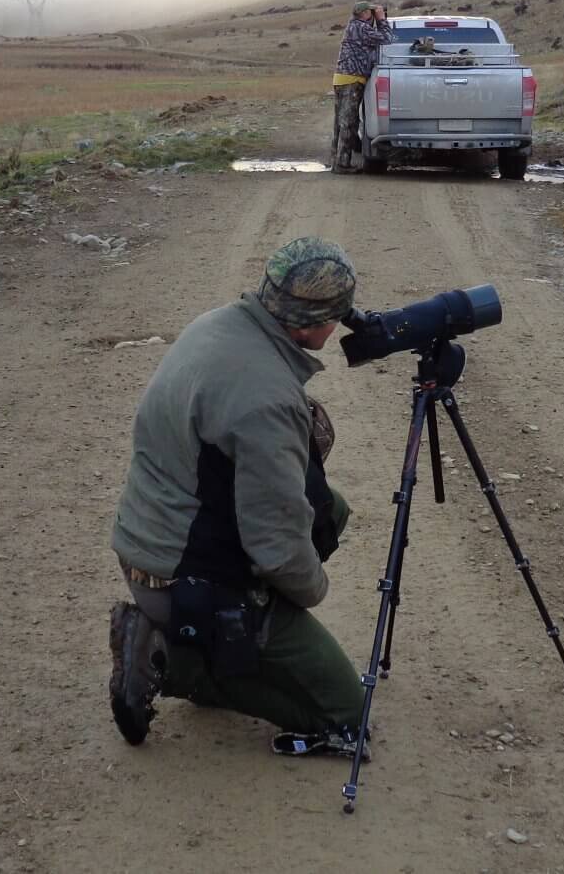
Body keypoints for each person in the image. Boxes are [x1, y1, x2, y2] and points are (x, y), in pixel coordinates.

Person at [109, 237, 367, 757]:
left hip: (151, 541)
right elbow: (275, 543)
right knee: (345, 714)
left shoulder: (218, 324)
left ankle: (218, 634)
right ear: (308, 325)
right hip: (184, 577)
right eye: (337, 315)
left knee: (328, 508)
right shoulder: (266, 398)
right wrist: (307, 592)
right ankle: (175, 660)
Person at [330, 0, 396, 173]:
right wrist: (381, 19)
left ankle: (336, 161)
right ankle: (342, 165)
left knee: (340, 122)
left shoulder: (355, 26)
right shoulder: (361, 27)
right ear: (365, 13)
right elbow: (387, 38)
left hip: (343, 78)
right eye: (371, 12)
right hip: (351, 80)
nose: (373, 14)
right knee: (348, 123)